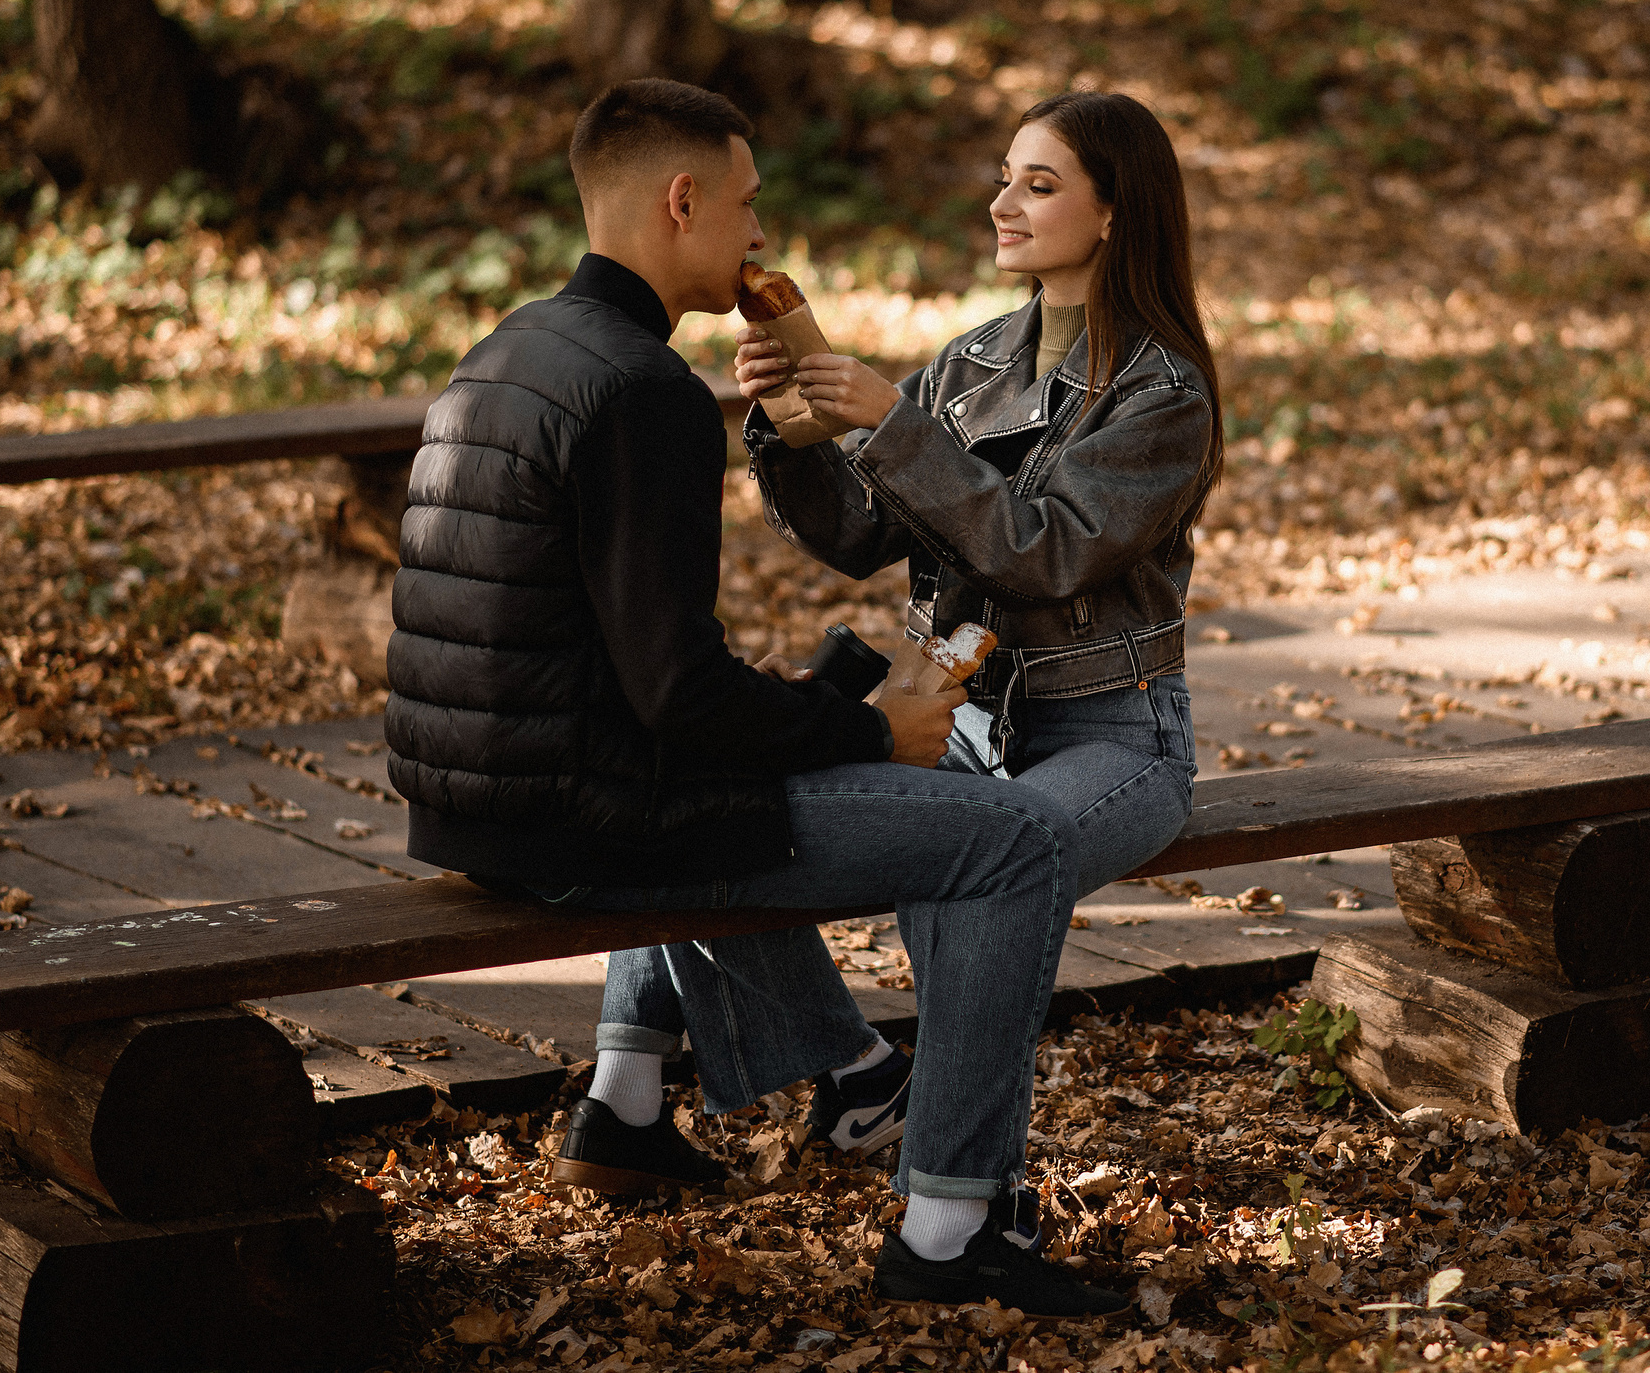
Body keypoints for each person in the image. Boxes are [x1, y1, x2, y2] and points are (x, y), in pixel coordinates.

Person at [382, 77, 1128, 1319]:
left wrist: (812, 710)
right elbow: (677, 699)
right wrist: (867, 731)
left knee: (806, 723)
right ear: (681, 202)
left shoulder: (512, 346)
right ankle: (949, 1224)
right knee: (1014, 838)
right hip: (586, 824)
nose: (760, 238)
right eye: (745, 205)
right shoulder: (643, 392)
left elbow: (624, 670)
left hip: (469, 807)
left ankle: (795, 1077)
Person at [735, 88, 1221, 900]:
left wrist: (893, 423)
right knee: (742, 821)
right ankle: (826, 1038)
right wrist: (788, 424)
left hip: (1109, 733)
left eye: (1039, 185)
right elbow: (858, 536)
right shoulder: (972, 360)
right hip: (951, 717)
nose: (1001, 204)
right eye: (1005, 179)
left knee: (989, 870)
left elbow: (1045, 554)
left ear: (1113, 213)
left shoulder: (1163, 396)